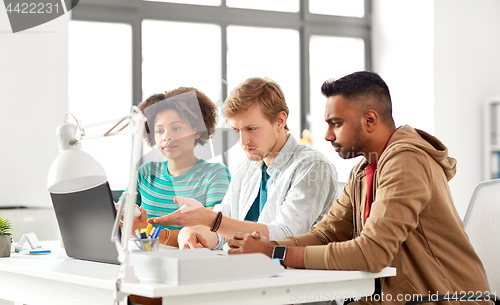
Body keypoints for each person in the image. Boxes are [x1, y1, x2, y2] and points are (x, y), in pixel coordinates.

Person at [227, 71, 491, 304]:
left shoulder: (407, 161)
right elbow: (325, 234)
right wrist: (267, 247)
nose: (328, 135)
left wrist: (276, 252)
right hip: (396, 297)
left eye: (336, 123)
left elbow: (371, 253)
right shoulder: (363, 172)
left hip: (443, 298)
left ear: (369, 120)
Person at [148, 77, 338, 250]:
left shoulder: (313, 167)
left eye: (251, 128)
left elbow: (287, 236)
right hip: (246, 271)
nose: (243, 141)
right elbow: (222, 232)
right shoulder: (247, 168)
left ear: (280, 121)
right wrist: (193, 232)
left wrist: (211, 220)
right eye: (236, 130)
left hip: (290, 278)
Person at [123, 87, 231, 248]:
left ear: (196, 130)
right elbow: (122, 216)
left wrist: (149, 231)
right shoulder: (146, 173)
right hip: (146, 258)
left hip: (192, 262)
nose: (167, 136)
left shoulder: (215, 174)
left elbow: (214, 231)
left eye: (176, 128)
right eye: (159, 130)